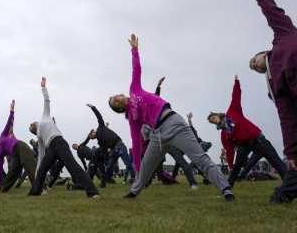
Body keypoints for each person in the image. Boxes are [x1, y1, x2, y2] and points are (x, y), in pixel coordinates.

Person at [109, 34, 232, 201]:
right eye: (114, 103)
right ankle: (133, 192)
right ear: (118, 108)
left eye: (115, 97)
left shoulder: (134, 89)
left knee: (199, 158)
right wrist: (136, 169)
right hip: (157, 136)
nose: (116, 99)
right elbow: (136, 143)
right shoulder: (132, 117)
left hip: (174, 124)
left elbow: (136, 68)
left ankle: (225, 189)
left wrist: (134, 49)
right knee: (146, 167)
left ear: (121, 95)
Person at [247, 0, 297, 205]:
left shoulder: (284, 35)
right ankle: (283, 193)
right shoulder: (274, 86)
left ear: (262, 53)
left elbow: (272, 11)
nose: (253, 65)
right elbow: (286, 116)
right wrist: (291, 151)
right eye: (252, 68)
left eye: (253, 61)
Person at [207, 75, 287, 189]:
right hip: (243, 145)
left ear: (218, 115)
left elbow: (235, 97)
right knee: (237, 166)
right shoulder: (224, 133)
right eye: (212, 121)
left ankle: (289, 184)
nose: (214, 121)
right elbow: (229, 150)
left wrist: (236, 83)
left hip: (257, 139)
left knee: (274, 160)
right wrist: (230, 164)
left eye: (213, 118)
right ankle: (227, 188)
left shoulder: (232, 112)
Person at [28, 77, 100, 198]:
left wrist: (44, 88)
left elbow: (47, 101)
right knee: (41, 171)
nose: (30, 124)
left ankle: (93, 192)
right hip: (51, 148)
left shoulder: (44, 117)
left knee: (73, 166)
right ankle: (34, 193)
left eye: (30, 124)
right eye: (30, 127)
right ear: (34, 131)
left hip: (59, 142)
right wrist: (36, 172)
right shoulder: (40, 137)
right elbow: (40, 156)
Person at [0, 100, 42, 193]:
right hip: (16, 154)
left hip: (20, 146)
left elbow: (8, 123)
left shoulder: (2, 136)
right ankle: (1, 189)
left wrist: (12, 111)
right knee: (12, 172)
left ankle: (41, 188)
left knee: (30, 166)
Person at [86, 104, 136, 188]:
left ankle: (135, 179)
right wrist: (105, 164)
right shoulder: (100, 142)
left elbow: (99, 116)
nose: (92, 136)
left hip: (120, 145)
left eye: (91, 135)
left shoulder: (101, 127)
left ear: (93, 131)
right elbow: (105, 152)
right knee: (109, 167)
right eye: (91, 137)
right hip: (113, 150)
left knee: (128, 163)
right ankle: (103, 182)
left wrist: (93, 107)